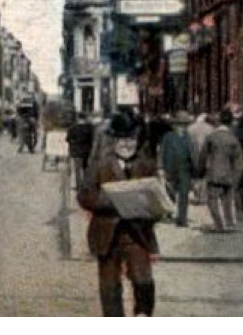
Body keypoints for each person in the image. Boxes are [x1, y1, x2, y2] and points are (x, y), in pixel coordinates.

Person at [78, 112, 160, 316]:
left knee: (144, 281)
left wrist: (156, 207)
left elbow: (159, 197)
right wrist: (112, 200)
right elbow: (84, 195)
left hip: (137, 233)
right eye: (122, 139)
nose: (127, 144)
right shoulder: (100, 164)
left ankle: (143, 315)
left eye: (131, 139)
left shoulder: (146, 164)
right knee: (110, 286)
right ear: (113, 140)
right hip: (106, 232)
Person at [199, 109, 242, 233]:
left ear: (219, 121)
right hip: (228, 174)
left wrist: (200, 171)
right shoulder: (233, 139)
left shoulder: (211, 137)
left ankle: (218, 224)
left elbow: (203, 156)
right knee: (227, 200)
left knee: (212, 199)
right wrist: (236, 176)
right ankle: (229, 223)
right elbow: (238, 160)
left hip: (214, 173)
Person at [159, 111, 196, 228]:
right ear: (175, 125)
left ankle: (182, 218)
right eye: (180, 124)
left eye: (184, 125)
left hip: (185, 169)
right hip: (170, 169)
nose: (182, 127)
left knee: (184, 194)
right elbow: (162, 152)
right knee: (170, 193)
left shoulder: (189, 138)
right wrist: (160, 167)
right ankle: (168, 212)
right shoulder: (168, 137)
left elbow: (193, 154)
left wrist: (196, 170)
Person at [66, 113, 96, 192]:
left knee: (77, 169)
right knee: (86, 168)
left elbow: (68, 139)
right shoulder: (89, 128)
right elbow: (93, 139)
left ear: (78, 118)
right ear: (85, 118)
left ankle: (78, 186)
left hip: (76, 151)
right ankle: (86, 185)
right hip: (86, 151)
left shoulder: (72, 127)